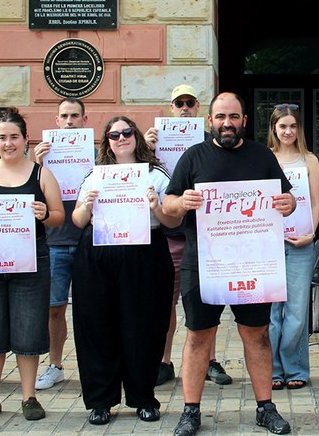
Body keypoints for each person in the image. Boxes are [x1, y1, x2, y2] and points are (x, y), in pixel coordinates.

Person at [163, 92, 296, 436]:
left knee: (256, 334)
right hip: (203, 260)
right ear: (210, 121)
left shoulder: (262, 155)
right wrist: (182, 201)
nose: (227, 123)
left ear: (244, 121)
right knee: (198, 335)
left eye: (233, 117)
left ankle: (265, 408)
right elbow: (169, 206)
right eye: (220, 117)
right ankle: (190, 411)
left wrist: (288, 202)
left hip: (253, 260)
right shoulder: (193, 157)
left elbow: (289, 199)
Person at [71, 117, 180, 425]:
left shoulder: (156, 174)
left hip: (145, 255)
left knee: (143, 326)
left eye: (127, 132)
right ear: (107, 141)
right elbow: (77, 221)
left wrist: (156, 206)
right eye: (114, 134)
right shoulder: (95, 175)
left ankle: (143, 397)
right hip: (98, 255)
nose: (121, 138)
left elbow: (172, 222)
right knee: (97, 326)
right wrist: (87, 206)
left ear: (137, 136)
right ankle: (101, 401)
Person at [0, 108, 65, 422]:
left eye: (14, 137)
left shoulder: (40, 174)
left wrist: (43, 213)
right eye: (2, 137)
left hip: (31, 262)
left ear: (24, 140)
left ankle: (29, 396)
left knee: (28, 329)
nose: (8, 143)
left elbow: (58, 216)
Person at [145, 85, 233, 387]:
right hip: (167, 233)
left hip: (205, 236)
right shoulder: (153, 142)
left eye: (190, 102)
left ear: (199, 110)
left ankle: (209, 360)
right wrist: (147, 148)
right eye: (178, 103)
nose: (184, 108)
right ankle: (164, 360)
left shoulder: (212, 142)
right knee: (165, 302)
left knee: (209, 300)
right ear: (171, 108)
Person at [32, 97, 88, 391]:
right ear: (56, 121)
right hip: (53, 243)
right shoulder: (41, 159)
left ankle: (95, 363)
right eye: (64, 116)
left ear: (84, 119)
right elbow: (28, 197)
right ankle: (54, 365)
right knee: (54, 308)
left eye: (74, 116)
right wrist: (37, 165)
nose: (69, 121)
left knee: (92, 307)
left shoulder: (94, 154)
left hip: (87, 242)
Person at [267, 104, 319, 390]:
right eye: (282, 126)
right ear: (274, 129)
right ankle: (273, 369)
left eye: (292, 126)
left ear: (299, 129)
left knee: (297, 311)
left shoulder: (309, 160)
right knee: (273, 312)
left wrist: (310, 234)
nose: (288, 131)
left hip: (301, 242)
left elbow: (315, 201)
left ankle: (296, 367)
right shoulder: (265, 157)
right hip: (270, 244)